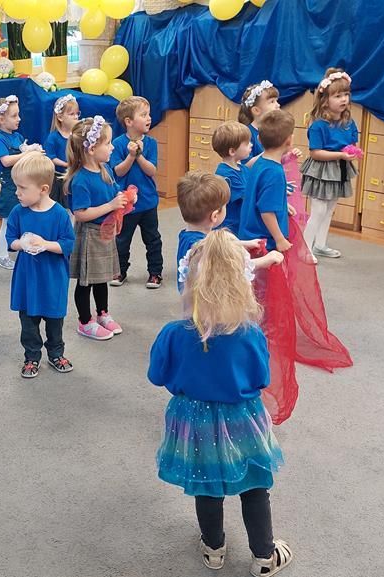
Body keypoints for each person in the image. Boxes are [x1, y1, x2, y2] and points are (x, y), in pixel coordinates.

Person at [149, 229, 292, 577]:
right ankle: (264, 557)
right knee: (255, 486)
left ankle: (213, 548)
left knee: (206, 485)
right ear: (242, 283)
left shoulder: (173, 333)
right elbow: (260, 379)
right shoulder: (250, 334)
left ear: (189, 282)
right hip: (242, 419)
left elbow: (157, 375)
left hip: (195, 420)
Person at [6, 152, 76, 378]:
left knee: (55, 320)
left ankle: (56, 353)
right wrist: (22, 243)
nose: (17, 192)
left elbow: (68, 244)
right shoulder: (18, 212)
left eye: (22, 188)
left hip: (53, 279)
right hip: (27, 279)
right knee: (28, 321)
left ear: (43, 189)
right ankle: (31, 356)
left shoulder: (59, 214)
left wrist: (45, 244)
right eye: (16, 186)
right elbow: (11, 241)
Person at [65, 116, 128, 341]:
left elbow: (113, 192)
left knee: (102, 278)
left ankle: (103, 314)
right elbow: (81, 213)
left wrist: (123, 198)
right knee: (86, 281)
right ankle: (85, 322)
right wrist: (110, 206)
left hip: (105, 233)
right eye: (108, 143)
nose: (112, 147)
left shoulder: (105, 169)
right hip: (90, 234)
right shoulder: (80, 179)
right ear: (91, 149)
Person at [176, 172, 283, 293]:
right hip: (205, 301)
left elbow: (216, 243)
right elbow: (230, 269)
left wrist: (241, 243)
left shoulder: (187, 235)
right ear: (215, 216)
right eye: (225, 206)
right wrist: (264, 261)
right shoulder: (203, 247)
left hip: (192, 296)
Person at [300, 68, 359, 259]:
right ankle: (305, 249)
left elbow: (352, 144)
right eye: (338, 96)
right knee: (318, 210)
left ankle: (320, 245)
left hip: (339, 169)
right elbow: (315, 153)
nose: (344, 99)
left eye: (346, 94)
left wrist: (352, 152)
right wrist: (340, 154)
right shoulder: (318, 125)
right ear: (325, 100)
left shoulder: (349, 122)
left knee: (329, 209)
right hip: (321, 170)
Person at [109, 96, 164, 289]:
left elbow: (151, 170)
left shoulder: (151, 143)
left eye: (149, 114)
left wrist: (139, 155)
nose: (149, 118)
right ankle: (120, 270)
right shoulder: (117, 144)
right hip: (126, 204)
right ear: (129, 121)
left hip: (148, 202)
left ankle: (155, 273)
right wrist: (131, 156)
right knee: (122, 240)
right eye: (143, 115)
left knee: (153, 239)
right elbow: (118, 171)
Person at [0, 94, 44, 269]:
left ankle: (27, 248)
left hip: (22, 183)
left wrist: (34, 151)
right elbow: (6, 161)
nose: (19, 119)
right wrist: (28, 153)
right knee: (7, 221)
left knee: (26, 217)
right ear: (1, 119)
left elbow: (23, 152)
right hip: (8, 186)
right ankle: (3, 256)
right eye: (14, 116)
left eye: (18, 114)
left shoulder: (17, 136)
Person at [239, 110, 296, 253]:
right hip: (264, 242)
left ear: (258, 139)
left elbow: (261, 196)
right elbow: (267, 211)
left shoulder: (260, 163)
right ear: (289, 140)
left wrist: (283, 205)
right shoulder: (274, 172)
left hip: (251, 234)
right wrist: (279, 239)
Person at [212, 121, 254, 232]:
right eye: (247, 143)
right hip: (230, 228)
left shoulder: (243, 169)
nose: (251, 145)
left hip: (241, 222)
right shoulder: (225, 174)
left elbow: (254, 186)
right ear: (232, 151)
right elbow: (249, 196)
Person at [44, 93, 80, 208]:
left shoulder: (77, 136)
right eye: (71, 114)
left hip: (75, 175)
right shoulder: (53, 137)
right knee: (61, 206)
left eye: (77, 114)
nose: (76, 117)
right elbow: (51, 157)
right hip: (59, 178)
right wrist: (66, 164)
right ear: (60, 117)